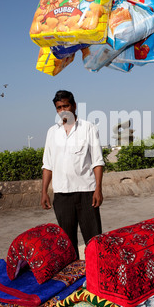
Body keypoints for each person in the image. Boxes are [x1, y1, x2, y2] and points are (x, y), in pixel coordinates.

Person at [41, 90, 104, 258]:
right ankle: (74, 279)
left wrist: (98, 189)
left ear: (74, 106)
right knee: (67, 243)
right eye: (59, 107)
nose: (63, 110)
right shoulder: (52, 133)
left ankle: (97, 277)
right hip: (62, 195)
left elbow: (97, 161)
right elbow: (47, 165)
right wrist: (44, 192)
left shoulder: (88, 128)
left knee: (94, 240)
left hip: (86, 192)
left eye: (66, 106)